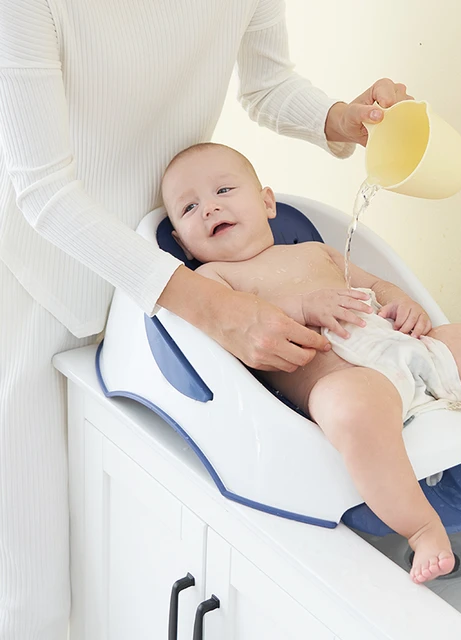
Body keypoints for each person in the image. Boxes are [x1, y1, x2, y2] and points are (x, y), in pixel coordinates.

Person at [0, 2, 415, 637]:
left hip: (171, 265)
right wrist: (215, 306)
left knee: (117, 555)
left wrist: (341, 118)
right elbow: (45, 193)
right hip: (45, 281)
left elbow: (268, 83)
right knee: (33, 579)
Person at [161, 142, 461, 584]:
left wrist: (404, 304)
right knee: (353, 410)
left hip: (406, 350)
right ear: (182, 243)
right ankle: (422, 527)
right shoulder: (212, 279)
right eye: (189, 207)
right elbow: (233, 337)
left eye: (223, 191)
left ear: (267, 202)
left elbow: (379, 285)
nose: (209, 210)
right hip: (343, 377)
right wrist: (302, 306)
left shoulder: (318, 251)